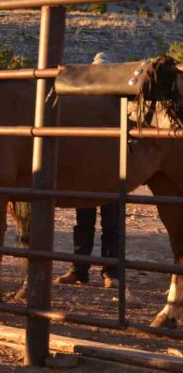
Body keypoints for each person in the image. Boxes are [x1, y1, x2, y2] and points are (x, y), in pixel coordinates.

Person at [56, 52, 122, 289]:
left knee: (111, 222)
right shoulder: (85, 101)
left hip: (112, 168)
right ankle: (80, 269)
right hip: (87, 168)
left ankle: (111, 271)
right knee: (84, 220)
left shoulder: (119, 101)